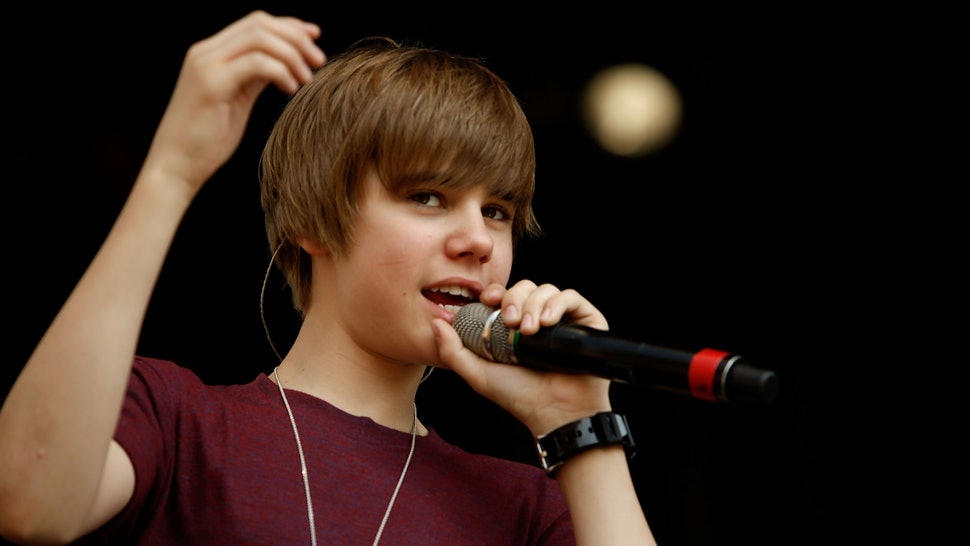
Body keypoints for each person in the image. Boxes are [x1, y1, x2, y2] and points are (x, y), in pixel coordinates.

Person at [0, 10, 655, 545]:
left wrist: (580, 425)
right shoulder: (176, 423)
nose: (479, 240)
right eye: (428, 196)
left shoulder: (523, 507)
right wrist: (170, 174)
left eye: (497, 211)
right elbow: (32, 503)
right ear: (313, 219)